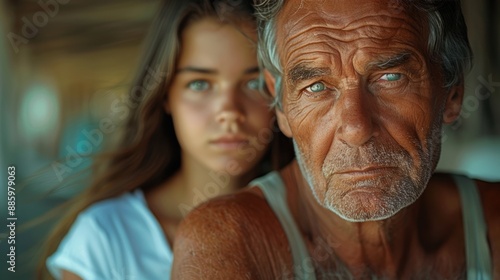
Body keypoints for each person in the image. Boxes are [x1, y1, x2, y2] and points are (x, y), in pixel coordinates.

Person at [172, 0, 500, 279]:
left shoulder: (491, 221)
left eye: (390, 77)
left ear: (453, 91)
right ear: (282, 104)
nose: (356, 128)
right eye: (316, 86)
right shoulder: (229, 241)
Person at [38, 0, 293, 279]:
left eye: (253, 83)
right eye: (199, 84)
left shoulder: (309, 227)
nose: (229, 112)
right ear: (165, 95)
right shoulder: (106, 239)